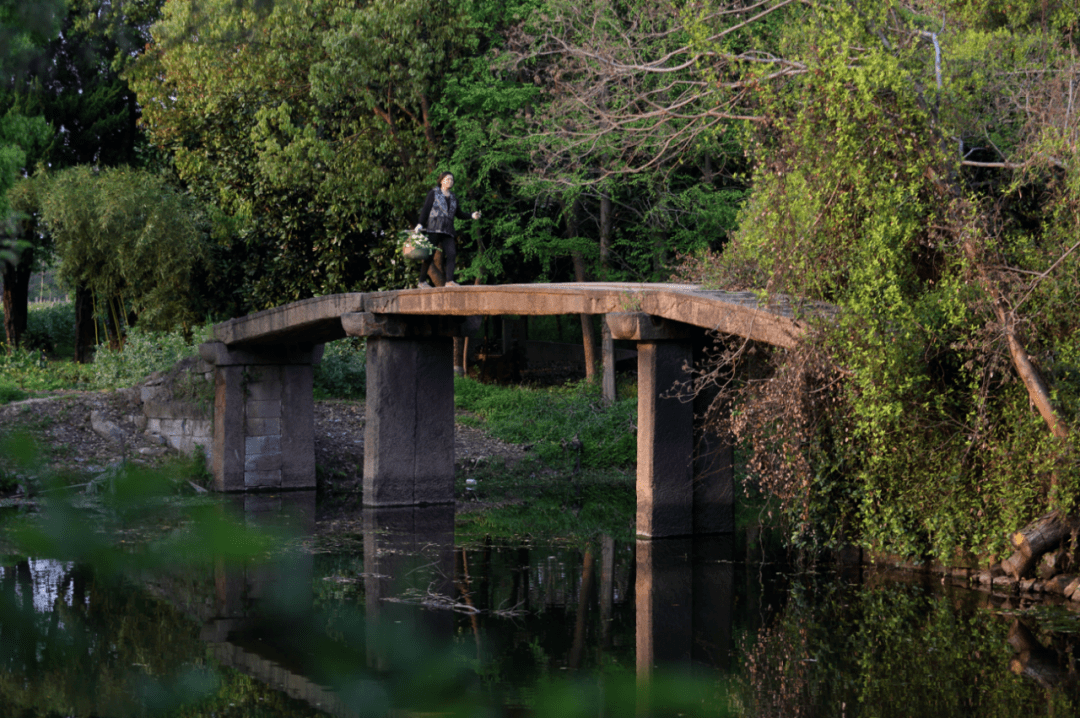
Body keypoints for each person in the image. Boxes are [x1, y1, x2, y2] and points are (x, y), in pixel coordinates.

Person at [414, 172, 480, 287]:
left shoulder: (454, 197)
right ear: (441, 181)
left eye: (451, 179)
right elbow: (426, 209)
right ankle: (422, 281)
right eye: (447, 179)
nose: (450, 181)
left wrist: (471, 215)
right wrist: (420, 223)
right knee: (429, 255)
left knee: (452, 254)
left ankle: (449, 281)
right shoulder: (433, 193)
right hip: (434, 228)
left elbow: (459, 214)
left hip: (448, 230)